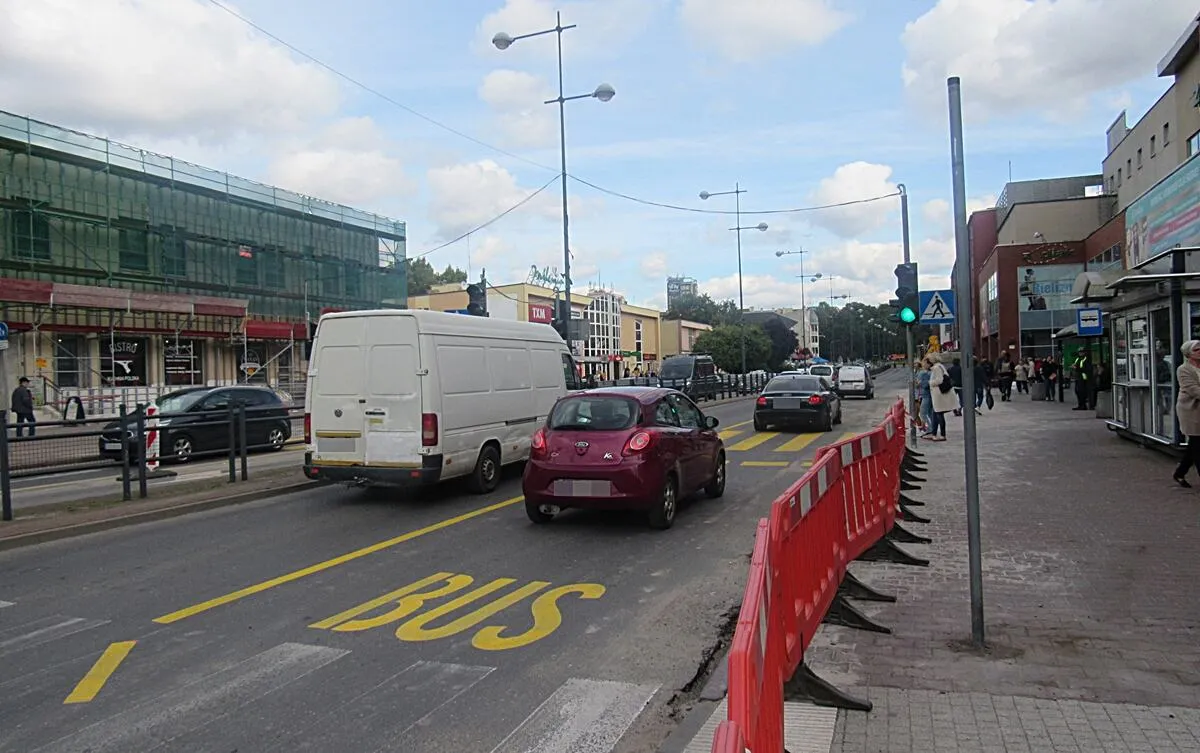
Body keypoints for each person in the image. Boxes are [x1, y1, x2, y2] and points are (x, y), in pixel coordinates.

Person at [1174, 340, 1200, 487]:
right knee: (1197, 444)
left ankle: (1180, 472)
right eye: (1197, 350)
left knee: (1194, 446)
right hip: (1191, 410)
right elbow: (1193, 389)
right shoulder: (1183, 369)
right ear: (1188, 353)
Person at [925, 355, 955, 441]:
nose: (925, 365)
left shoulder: (936, 368)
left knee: (939, 414)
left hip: (938, 394)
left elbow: (939, 380)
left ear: (930, 362)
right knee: (936, 414)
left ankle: (942, 435)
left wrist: (930, 382)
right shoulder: (940, 366)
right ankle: (933, 433)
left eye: (926, 363)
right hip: (938, 394)